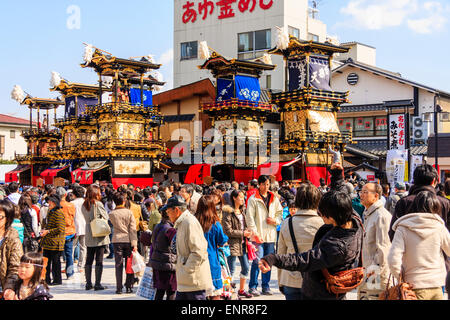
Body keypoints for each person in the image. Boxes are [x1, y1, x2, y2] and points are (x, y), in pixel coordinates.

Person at [258, 189, 364, 300]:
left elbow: (305, 260)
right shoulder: (354, 220)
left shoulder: (337, 246)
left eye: (322, 215)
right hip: (334, 293)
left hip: (322, 295)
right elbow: (339, 198)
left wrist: (274, 258)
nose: (320, 216)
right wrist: (336, 174)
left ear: (332, 218)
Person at [388, 191, 450, 300]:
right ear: (435, 207)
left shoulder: (403, 228)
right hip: (437, 285)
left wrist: (400, 277)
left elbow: (393, 258)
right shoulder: (439, 227)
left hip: (413, 285)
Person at [276, 182, 324, 300]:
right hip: (316, 279)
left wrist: (281, 281)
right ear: (317, 200)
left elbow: (280, 254)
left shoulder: (287, 223)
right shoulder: (323, 223)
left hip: (291, 278)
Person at [163, 195, 212, 300]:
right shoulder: (182, 223)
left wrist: (187, 269)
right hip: (185, 282)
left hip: (193, 281)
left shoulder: (189, 222)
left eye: (168, 212)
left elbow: (199, 251)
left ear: (176, 210)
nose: (167, 215)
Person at [246, 175, 283, 296]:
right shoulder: (253, 199)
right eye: (264, 184)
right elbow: (249, 218)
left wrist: (275, 221)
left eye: (268, 184)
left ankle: (266, 286)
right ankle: (252, 286)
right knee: (257, 261)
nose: (266, 187)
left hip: (271, 236)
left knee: (268, 262)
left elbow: (280, 213)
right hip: (258, 236)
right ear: (260, 185)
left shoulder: (274, 198)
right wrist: (255, 234)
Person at [357, 182, 392, 300]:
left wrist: (373, 271)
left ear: (376, 196)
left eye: (365, 192)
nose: (361, 195)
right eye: (361, 192)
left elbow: (383, 249)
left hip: (375, 274)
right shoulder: (369, 213)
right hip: (368, 272)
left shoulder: (381, 216)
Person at [195, 195, 229, 300]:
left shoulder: (193, 223)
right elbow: (222, 240)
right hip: (212, 260)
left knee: (199, 294)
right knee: (215, 294)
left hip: (196, 261)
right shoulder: (215, 224)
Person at [222, 190, 253, 298]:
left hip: (243, 244)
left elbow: (245, 225)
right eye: (240, 197)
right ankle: (227, 292)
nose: (242, 199)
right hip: (232, 244)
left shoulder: (242, 210)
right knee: (230, 270)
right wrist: (242, 233)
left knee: (245, 267)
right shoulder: (227, 212)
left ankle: (241, 290)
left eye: (243, 197)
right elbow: (227, 230)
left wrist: (248, 231)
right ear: (234, 198)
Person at [81, 184, 110, 291]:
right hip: (98, 233)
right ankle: (97, 283)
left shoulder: (84, 205)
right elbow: (106, 216)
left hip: (89, 232)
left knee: (89, 258)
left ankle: (88, 283)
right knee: (99, 259)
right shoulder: (98, 204)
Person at [109, 192, 138, 294]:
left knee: (118, 265)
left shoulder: (111, 214)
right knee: (129, 265)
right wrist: (134, 244)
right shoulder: (129, 212)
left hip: (117, 240)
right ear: (123, 201)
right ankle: (129, 286)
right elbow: (133, 229)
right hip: (128, 240)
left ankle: (119, 287)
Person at [150, 207, 177, 300]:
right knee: (171, 292)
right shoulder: (170, 230)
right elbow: (176, 247)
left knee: (160, 291)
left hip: (157, 262)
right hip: (168, 265)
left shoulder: (158, 226)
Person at [40, 194, 66, 286]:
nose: (49, 203)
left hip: (56, 242)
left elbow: (60, 228)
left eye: (50, 201)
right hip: (48, 241)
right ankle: (46, 279)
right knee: (46, 261)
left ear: (55, 203)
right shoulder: (50, 211)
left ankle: (57, 280)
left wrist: (48, 231)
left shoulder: (59, 213)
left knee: (55, 262)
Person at [0, 199, 23, 298]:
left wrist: (9, 287)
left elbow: (15, 266)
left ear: (7, 219)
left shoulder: (12, 238)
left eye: (0, 217)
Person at [56, 187, 76, 280]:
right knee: (69, 254)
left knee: (57, 255)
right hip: (69, 231)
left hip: (57, 232)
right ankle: (70, 273)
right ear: (65, 195)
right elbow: (73, 217)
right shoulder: (70, 205)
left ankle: (57, 275)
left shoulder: (54, 205)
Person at [71, 186, 86, 272]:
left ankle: (70, 265)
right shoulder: (86, 202)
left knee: (72, 246)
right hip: (85, 226)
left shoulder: (72, 203)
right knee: (83, 247)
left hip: (74, 226)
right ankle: (81, 266)